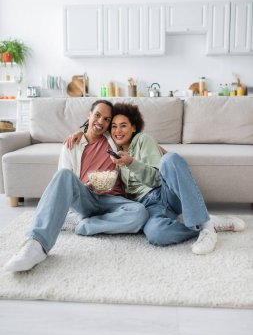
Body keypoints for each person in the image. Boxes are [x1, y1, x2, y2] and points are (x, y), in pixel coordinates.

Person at [65, 102, 245, 255]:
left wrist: (131, 163)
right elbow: (97, 125)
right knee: (156, 234)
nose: (118, 130)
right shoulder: (113, 150)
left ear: (134, 127)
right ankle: (201, 226)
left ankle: (205, 226)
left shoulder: (143, 140)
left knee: (170, 159)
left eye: (123, 125)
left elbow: (156, 179)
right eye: (114, 126)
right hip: (148, 206)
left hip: (165, 193)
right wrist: (81, 132)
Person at [4, 100, 149, 272]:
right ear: (89, 115)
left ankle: (85, 225)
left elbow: (141, 143)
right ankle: (37, 245)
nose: (101, 122)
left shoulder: (114, 140)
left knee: (140, 213)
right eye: (97, 115)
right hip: (86, 197)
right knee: (63, 175)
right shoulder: (72, 145)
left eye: (107, 119)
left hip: (113, 200)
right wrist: (88, 185)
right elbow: (63, 186)